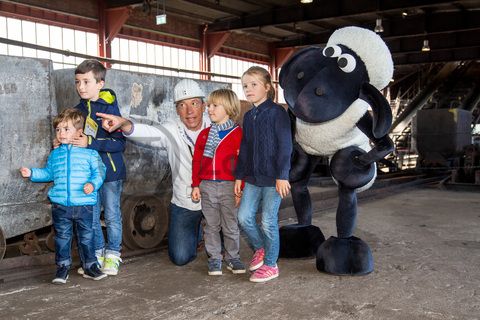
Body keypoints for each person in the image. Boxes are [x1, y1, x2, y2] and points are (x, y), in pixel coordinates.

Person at [97, 79, 210, 266]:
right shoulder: (172, 130)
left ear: (204, 106)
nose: (189, 111)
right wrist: (124, 124)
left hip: (215, 201)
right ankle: (195, 231)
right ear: (176, 110)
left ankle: (207, 229)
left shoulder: (216, 126)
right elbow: (147, 133)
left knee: (226, 247)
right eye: (182, 105)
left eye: (194, 103)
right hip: (186, 201)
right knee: (180, 257)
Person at [20, 108, 107, 284]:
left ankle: (91, 266)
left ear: (79, 132)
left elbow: (100, 172)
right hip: (61, 206)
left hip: (84, 205)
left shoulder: (90, 153)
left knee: (87, 237)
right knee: (62, 238)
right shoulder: (55, 154)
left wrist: (92, 184)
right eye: (58, 129)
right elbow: (48, 173)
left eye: (66, 129)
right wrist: (31, 173)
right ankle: (62, 268)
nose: (61, 133)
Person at [234, 66, 292, 283]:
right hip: (252, 178)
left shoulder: (278, 113)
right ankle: (260, 248)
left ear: (267, 87)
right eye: (245, 86)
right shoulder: (249, 117)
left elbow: (285, 146)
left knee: (268, 221)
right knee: (243, 217)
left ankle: (270, 264)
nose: (248, 89)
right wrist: (240, 176)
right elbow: (246, 148)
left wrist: (283, 175)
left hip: (274, 178)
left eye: (253, 85)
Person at [73, 59, 126, 276]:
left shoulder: (110, 109)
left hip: (111, 173)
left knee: (112, 214)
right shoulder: (77, 111)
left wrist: (91, 143)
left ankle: (113, 255)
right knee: (92, 216)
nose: (81, 87)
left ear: (100, 83)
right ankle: (97, 255)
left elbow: (120, 143)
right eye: (78, 82)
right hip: (89, 175)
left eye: (86, 82)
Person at [191, 88, 246, 276]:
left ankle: (233, 257)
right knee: (211, 224)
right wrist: (195, 184)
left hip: (229, 186)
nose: (209, 109)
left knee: (230, 224)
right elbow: (197, 161)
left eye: (215, 105)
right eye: (209, 105)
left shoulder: (239, 134)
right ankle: (214, 258)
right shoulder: (205, 134)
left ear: (229, 108)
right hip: (207, 185)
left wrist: (241, 188)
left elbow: (243, 163)